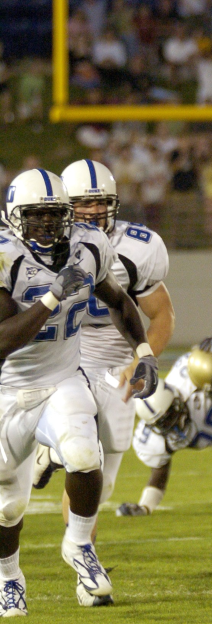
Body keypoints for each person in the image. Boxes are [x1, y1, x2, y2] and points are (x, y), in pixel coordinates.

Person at [0, 168, 158, 617]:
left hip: (62, 379)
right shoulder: (5, 256)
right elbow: (2, 340)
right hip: (7, 390)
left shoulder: (90, 246)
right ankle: (9, 576)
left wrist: (143, 351)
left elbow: (118, 299)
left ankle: (78, 544)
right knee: (7, 507)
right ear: (15, 218)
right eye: (36, 217)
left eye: (55, 215)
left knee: (87, 455)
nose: (48, 226)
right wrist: (51, 298)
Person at [32, 160, 174, 561]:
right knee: (84, 454)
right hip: (64, 352)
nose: (94, 211)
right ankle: (85, 557)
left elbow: (162, 315)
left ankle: (52, 453)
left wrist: (142, 358)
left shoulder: (137, 247)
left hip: (115, 358)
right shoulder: (42, 243)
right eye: (84, 203)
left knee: (104, 478)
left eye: (102, 202)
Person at [117, 316, 212, 518]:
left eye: (171, 414)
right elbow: (159, 469)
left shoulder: (193, 380)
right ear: (153, 426)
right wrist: (145, 506)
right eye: (164, 423)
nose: (173, 424)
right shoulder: (154, 439)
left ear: (177, 398)